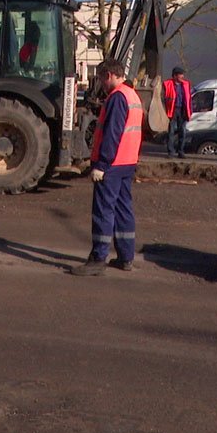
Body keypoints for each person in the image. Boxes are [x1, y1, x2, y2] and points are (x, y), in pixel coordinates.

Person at [70, 58, 143, 276]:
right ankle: (125, 257)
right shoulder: (132, 96)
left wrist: (101, 164)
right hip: (127, 162)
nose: (101, 84)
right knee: (123, 209)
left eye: (102, 79)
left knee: (103, 211)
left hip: (111, 164)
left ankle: (98, 259)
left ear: (109, 75)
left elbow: (112, 134)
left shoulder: (117, 97)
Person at [162, 66, 191, 158]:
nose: (182, 76)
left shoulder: (186, 84)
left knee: (182, 131)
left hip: (182, 110)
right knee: (171, 132)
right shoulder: (167, 84)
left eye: (182, 74)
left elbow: (188, 99)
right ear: (174, 76)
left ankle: (181, 151)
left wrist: (189, 111)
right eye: (180, 74)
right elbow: (163, 98)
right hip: (172, 110)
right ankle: (171, 152)